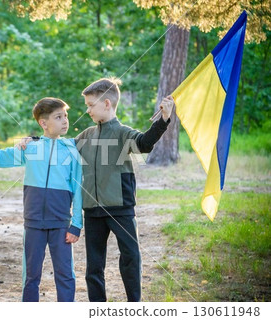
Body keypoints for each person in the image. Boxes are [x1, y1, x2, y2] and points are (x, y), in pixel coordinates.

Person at [16, 78, 174, 302]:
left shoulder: (123, 133)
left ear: (107, 104)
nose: (87, 110)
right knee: (94, 269)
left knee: (130, 258)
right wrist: (31, 140)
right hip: (92, 211)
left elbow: (145, 143)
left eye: (91, 105)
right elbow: (59, 143)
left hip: (120, 209)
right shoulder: (86, 136)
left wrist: (164, 119)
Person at [0, 97, 83, 302]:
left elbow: (78, 189)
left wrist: (76, 225)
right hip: (34, 223)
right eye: (58, 117)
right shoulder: (31, 147)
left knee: (65, 275)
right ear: (43, 123)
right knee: (31, 276)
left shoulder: (72, 150)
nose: (65, 121)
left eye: (66, 116)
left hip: (61, 224)